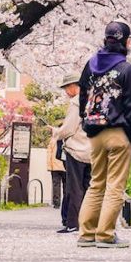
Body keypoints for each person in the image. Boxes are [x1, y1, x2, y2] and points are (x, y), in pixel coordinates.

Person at [76, 19, 131, 249]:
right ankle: (105, 235)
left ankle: (87, 233)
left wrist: (85, 122)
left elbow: (82, 99)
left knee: (96, 183)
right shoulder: (127, 69)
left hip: (95, 134)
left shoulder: (90, 65)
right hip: (118, 134)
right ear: (126, 41)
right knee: (115, 186)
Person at [53, 71, 92, 233]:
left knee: (74, 187)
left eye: (67, 88)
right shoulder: (92, 100)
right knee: (88, 187)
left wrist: (57, 133)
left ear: (74, 87)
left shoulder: (77, 103)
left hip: (76, 150)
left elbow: (68, 128)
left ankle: (73, 223)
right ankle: (87, 222)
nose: (66, 92)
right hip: (91, 150)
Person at [46, 132, 66, 217]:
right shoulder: (67, 139)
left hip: (55, 166)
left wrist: (49, 166)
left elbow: (49, 154)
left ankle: (56, 203)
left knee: (56, 185)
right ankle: (66, 201)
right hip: (65, 166)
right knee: (66, 185)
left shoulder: (53, 140)